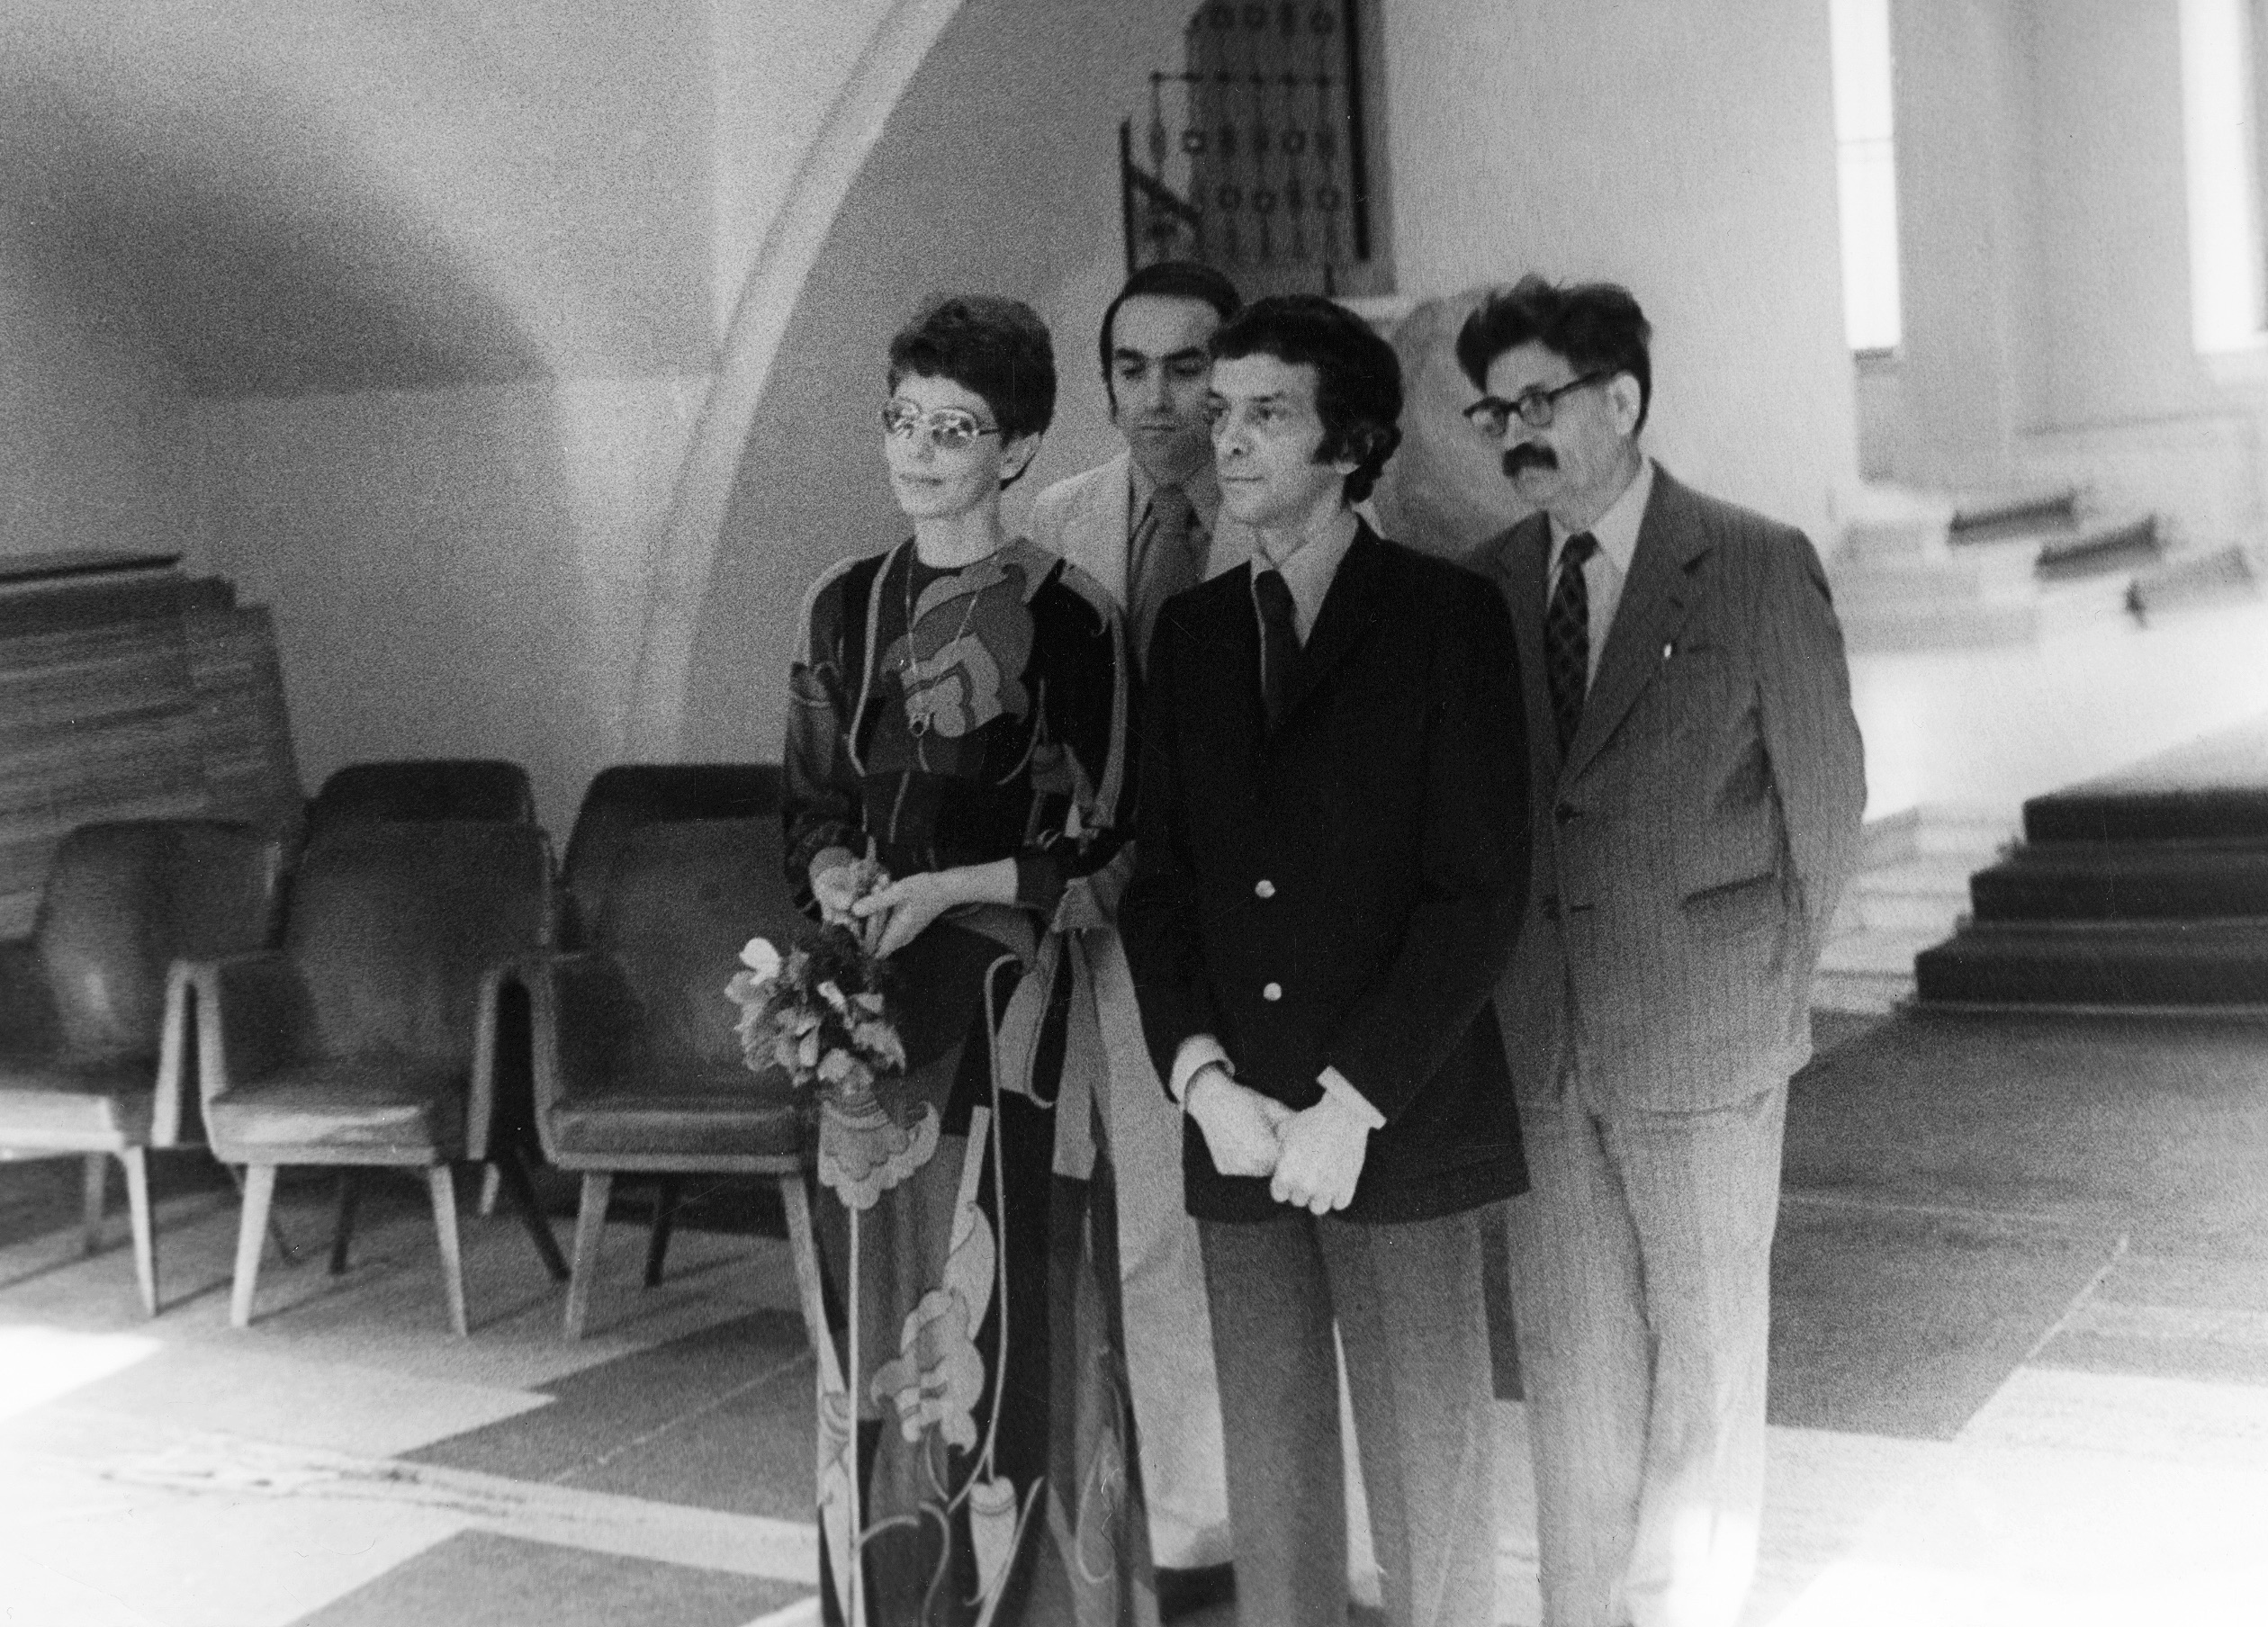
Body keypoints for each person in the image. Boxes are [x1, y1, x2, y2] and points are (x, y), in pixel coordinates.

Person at [1459, 275, 1867, 1627]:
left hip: (1705, 1034)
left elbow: (1826, 809)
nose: (1515, 435)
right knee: (1571, 1355)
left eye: (1539, 402)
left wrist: (1760, 998)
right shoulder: (1489, 587)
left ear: (1622, 399)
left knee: (1704, 1349)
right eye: (1494, 414)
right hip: (1543, 1041)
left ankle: (1688, 1607)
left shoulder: (1750, 562)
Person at [1119, 293, 1529, 1627]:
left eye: (1265, 413)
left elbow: (1479, 893)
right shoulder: (1190, 638)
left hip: (1397, 1122)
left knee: (1430, 1492)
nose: (1225, 439)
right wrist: (1200, 1081)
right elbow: (1160, 889)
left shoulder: (1447, 619)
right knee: (1275, 1486)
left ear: (1348, 444)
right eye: (1220, 412)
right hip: (1238, 1128)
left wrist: (1353, 1103)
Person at [783, 293, 1148, 1626]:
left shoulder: (1075, 618)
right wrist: (838, 876)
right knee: (866, 1318)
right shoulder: (841, 606)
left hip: (1008, 1017)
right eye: (903, 421)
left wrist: (949, 889)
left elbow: (1109, 848)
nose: (919, 452)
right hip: (865, 1021)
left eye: (955, 429)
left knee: (1007, 1303)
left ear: (1020, 448)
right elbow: (812, 809)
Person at [1027, 260, 1256, 1614]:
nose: (1160, 399)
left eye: (1189, 367)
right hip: (1115, 930)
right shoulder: (1057, 522)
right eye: (1132, 369)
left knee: (1274, 1234)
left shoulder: (1291, 506)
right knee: (1152, 1232)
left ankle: (1305, 1526)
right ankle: (1187, 1529)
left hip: (1261, 928)